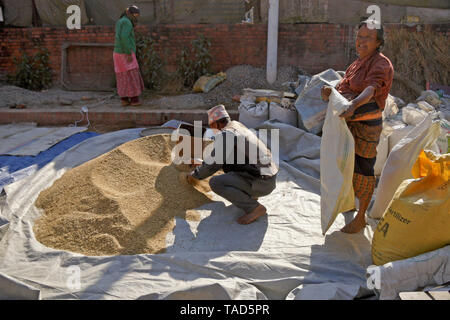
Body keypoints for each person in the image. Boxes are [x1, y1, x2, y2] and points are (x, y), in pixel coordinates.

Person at [321, 20, 394, 234]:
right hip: (348, 126)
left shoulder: (381, 64)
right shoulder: (356, 64)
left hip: (366, 127)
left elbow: (370, 90)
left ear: (378, 42)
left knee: (364, 170)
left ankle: (361, 217)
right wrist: (331, 92)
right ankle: (350, 204)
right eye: (359, 37)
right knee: (347, 166)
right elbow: (344, 87)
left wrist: (353, 104)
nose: (361, 41)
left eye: (367, 38)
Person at [183, 105, 278, 225]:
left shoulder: (227, 134)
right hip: (269, 177)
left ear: (217, 124)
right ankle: (250, 194)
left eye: (212, 126)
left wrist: (195, 175)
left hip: (262, 182)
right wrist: (203, 163)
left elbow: (214, 163)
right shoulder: (236, 126)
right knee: (228, 169)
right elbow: (226, 158)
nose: (212, 130)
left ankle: (254, 208)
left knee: (216, 182)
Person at [113, 5, 145, 107]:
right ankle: (134, 100)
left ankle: (124, 99)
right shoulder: (127, 22)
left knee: (122, 76)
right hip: (125, 53)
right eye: (135, 15)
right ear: (130, 14)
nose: (136, 17)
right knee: (132, 75)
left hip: (117, 53)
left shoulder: (120, 21)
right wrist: (128, 53)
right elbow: (124, 37)